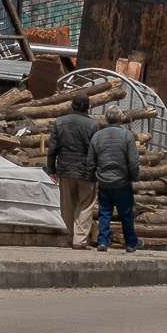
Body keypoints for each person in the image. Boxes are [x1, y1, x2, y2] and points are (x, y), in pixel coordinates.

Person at [45, 92, 99, 247]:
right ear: (89, 107)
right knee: (85, 205)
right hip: (86, 172)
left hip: (65, 169)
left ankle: (71, 235)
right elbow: (95, 151)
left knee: (67, 205)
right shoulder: (93, 125)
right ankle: (79, 239)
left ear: (71, 105)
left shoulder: (60, 122)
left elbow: (52, 148)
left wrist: (51, 170)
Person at [89, 103, 142, 253]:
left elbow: (91, 160)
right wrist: (134, 177)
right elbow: (133, 161)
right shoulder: (127, 136)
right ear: (120, 119)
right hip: (122, 182)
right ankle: (131, 243)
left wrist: (94, 175)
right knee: (126, 214)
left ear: (106, 119)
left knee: (104, 213)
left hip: (104, 181)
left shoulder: (97, 136)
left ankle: (102, 241)